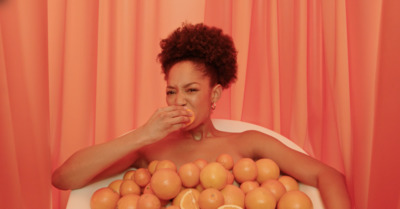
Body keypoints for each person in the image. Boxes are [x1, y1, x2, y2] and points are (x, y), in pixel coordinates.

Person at [52, 23, 351, 208]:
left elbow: (329, 176)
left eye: (191, 90)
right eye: (171, 91)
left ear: (215, 95)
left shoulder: (249, 143)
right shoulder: (151, 149)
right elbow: (64, 178)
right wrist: (143, 134)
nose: (179, 100)